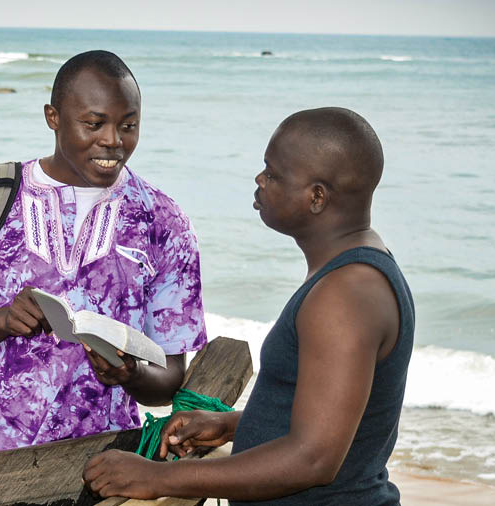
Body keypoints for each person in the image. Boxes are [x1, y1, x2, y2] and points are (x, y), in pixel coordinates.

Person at [83, 107, 415, 505]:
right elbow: (332, 420)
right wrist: (233, 425)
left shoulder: (345, 295)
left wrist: (159, 478)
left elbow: (313, 459)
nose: (260, 180)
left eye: (273, 174)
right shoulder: (356, 269)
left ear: (317, 197)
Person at [0, 50, 207, 457]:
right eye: (94, 124)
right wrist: (3, 320)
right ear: (52, 117)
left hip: (103, 466)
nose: (113, 140)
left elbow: (170, 378)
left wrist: (129, 373)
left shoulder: (162, 220)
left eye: (129, 125)